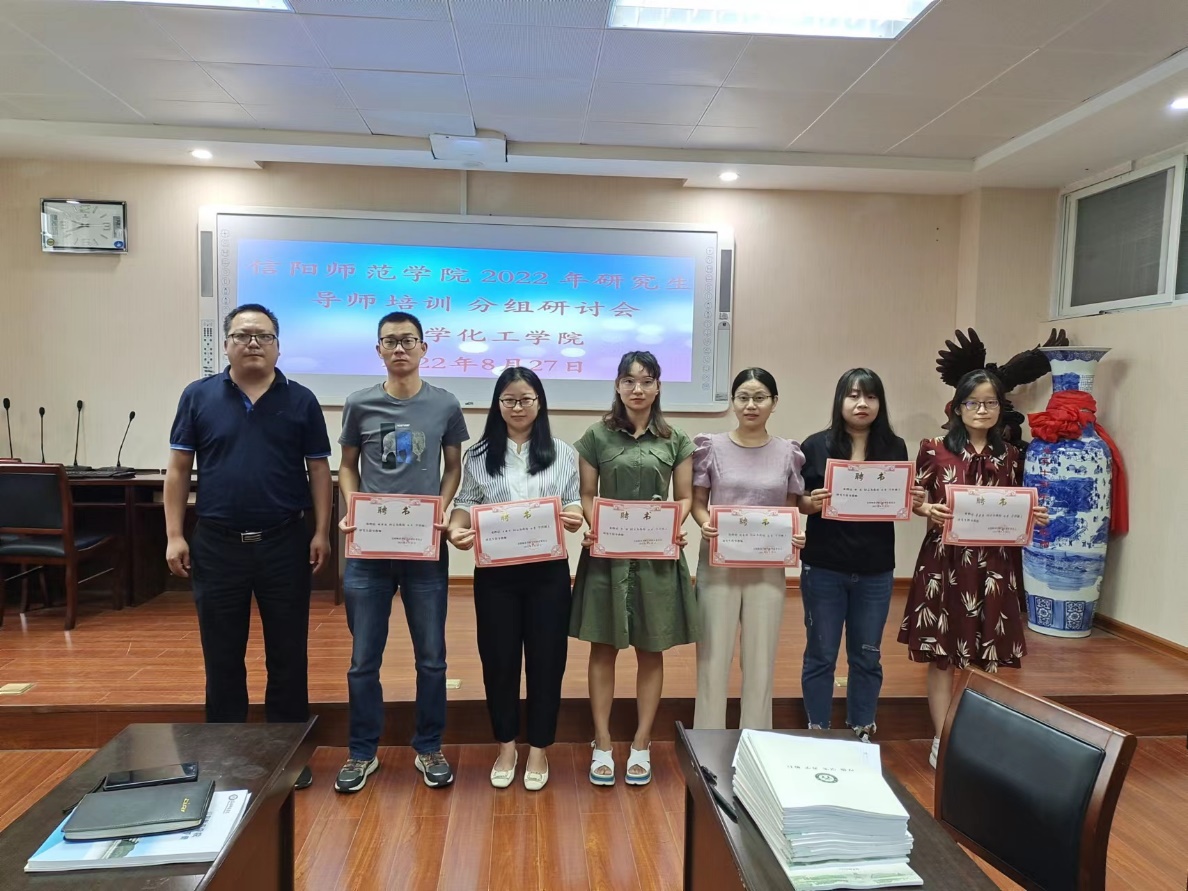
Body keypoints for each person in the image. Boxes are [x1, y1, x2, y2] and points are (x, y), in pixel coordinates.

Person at [164, 303, 331, 790]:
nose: (253, 342)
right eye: (242, 335)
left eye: (263, 335)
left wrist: (321, 531)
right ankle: (225, 756)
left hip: (285, 541)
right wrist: (174, 534)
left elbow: (319, 470)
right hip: (217, 545)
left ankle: (287, 756)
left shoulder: (301, 400)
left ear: (278, 345)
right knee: (222, 655)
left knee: (287, 654)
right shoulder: (198, 396)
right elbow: (179, 468)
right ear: (226, 344)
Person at [335, 312, 469, 793]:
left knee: (431, 657)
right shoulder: (359, 403)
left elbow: (453, 466)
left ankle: (429, 747)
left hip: (424, 547)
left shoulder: (445, 404)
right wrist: (354, 507)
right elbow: (346, 466)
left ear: (423, 348)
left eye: (408, 340)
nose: (399, 349)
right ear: (378, 350)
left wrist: (443, 508)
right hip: (369, 549)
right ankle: (361, 752)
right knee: (362, 659)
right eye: (390, 341)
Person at [898, 369, 1049, 768]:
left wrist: (1033, 515)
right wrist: (926, 509)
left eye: (990, 403)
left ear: (1000, 407)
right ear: (958, 407)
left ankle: (977, 739)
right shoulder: (933, 449)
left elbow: (1013, 506)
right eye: (973, 402)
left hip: (993, 565)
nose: (982, 410)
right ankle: (942, 740)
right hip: (945, 562)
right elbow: (915, 499)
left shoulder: (1011, 455)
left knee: (988, 651)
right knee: (942, 654)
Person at [446, 368, 583, 791]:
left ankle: (538, 748)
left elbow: (573, 501)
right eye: (509, 400)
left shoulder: (562, 452)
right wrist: (456, 527)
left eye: (526, 399)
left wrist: (575, 515)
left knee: (547, 661)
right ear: (498, 405)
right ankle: (506, 746)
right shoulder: (478, 454)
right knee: (499, 660)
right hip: (496, 574)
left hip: (548, 573)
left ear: (540, 403)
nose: (518, 407)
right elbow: (466, 501)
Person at [571, 350, 697, 786]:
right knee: (602, 647)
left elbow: (685, 497)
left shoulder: (675, 439)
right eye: (629, 381)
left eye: (646, 381)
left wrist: (673, 525)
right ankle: (603, 742)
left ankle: (642, 742)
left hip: (656, 556)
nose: (637, 389)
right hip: (607, 556)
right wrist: (597, 526)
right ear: (618, 386)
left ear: (658, 386)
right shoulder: (596, 436)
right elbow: (587, 494)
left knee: (651, 648)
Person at [797, 368, 925, 742]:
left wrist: (913, 499)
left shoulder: (894, 448)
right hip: (824, 565)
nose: (861, 403)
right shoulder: (815, 445)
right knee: (821, 654)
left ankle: (862, 730)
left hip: (875, 569)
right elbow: (798, 502)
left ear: (880, 403)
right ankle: (818, 730)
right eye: (853, 395)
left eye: (870, 396)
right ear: (840, 400)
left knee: (867, 655)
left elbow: (900, 502)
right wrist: (810, 503)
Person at [691, 368, 806, 730]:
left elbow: (789, 509)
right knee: (712, 657)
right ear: (733, 402)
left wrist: (794, 536)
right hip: (719, 562)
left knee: (760, 659)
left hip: (767, 567)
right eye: (743, 397)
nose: (751, 405)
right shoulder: (711, 446)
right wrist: (704, 523)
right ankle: (707, 739)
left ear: (774, 402)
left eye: (759, 398)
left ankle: (756, 740)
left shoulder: (788, 452)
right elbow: (698, 503)